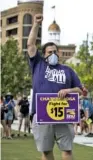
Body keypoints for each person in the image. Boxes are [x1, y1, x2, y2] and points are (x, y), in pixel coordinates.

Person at [27, 14, 82, 160]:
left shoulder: (67, 70)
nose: (53, 54)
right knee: (45, 152)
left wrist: (68, 90)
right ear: (44, 55)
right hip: (42, 114)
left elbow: (79, 90)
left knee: (67, 150)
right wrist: (36, 24)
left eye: (55, 52)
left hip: (63, 114)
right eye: (49, 52)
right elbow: (31, 45)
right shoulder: (38, 65)